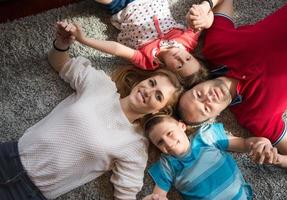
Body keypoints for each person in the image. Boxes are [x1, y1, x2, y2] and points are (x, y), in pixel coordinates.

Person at [0, 21, 184, 200]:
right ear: (142, 80)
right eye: (151, 83)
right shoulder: (101, 85)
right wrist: (62, 43)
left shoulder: (135, 146)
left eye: (159, 96)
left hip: (29, 193)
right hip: (10, 155)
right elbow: (60, 63)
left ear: (160, 110)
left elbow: (125, 195)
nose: (149, 92)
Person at [179, 0, 287, 171]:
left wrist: (205, 7)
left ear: (199, 83)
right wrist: (278, 159)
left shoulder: (216, 49)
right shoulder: (257, 119)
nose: (208, 98)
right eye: (206, 109)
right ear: (217, 114)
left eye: (198, 95)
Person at [67, 0, 215, 87]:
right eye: (188, 58)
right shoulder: (187, 42)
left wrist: (84, 40)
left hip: (123, 7)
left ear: (169, 71)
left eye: (179, 65)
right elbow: (206, 17)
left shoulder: (148, 61)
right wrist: (205, 21)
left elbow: (117, 49)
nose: (181, 57)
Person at [142, 115, 278, 200]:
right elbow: (159, 194)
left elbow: (243, 143)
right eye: (160, 142)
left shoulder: (206, 137)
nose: (168, 143)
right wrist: (155, 197)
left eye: (169, 133)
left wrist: (260, 142)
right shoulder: (166, 164)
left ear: (182, 126)